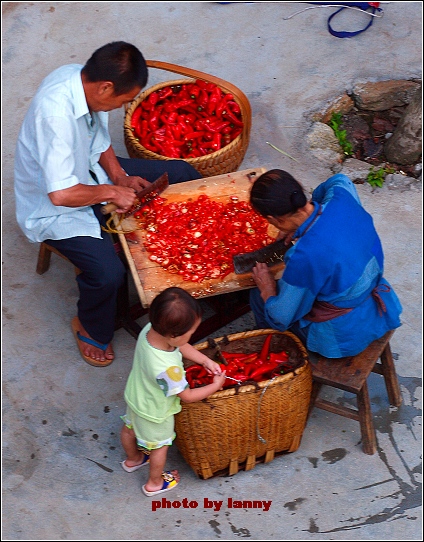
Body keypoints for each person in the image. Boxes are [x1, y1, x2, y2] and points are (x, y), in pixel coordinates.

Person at [14, 41, 202, 368]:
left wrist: (119, 177)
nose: (121, 108)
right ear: (106, 87)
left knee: (182, 173)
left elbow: (98, 140)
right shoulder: (55, 114)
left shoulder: (80, 81)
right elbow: (60, 194)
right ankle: (89, 325)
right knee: (107, 273)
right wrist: (112, 193)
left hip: (89, 172)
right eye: (123, 100)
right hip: (53, 203)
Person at [248, 169, 402, 358]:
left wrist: (267, 289)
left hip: (345, 335)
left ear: (274, 219)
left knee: (258, 297)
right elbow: (340, 179)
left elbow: (281, 317)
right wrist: (303, 223)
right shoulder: (342, 196)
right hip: (378, 301)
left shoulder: (306, 255)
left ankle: (273, 356)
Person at [120, 287, 226, 496]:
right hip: (156, 412)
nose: (191, 337)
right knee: (160, 446)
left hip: (136, 396)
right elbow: (186, 396)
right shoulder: (169, 369)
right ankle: (154, 483)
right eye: (190, 333)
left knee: (129, 429)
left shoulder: (151, 329)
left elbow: (179, 346)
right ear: (174, 335)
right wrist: (215, 385)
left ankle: (133, 460)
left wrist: (204, 359)